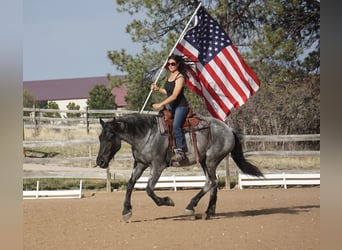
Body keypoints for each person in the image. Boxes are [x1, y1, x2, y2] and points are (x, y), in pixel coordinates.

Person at [151, 54, 190, 162]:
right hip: (171, 106)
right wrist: (158, 89)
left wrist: (160, 104)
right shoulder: (170, 76)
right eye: (169, 64)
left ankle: (181, 151)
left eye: (173, 64)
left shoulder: (180, 77)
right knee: (160, 122)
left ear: (178, 64)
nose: (170, 66)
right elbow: (168, 92)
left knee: (176, 126)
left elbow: (174, 95)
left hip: (181, 106)